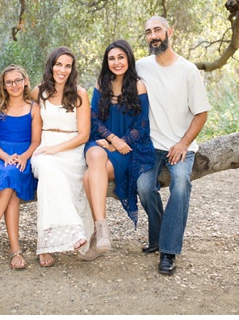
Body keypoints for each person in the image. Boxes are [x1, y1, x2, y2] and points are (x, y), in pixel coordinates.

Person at [135, 16, 211, 276]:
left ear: (169, 32)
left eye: (157, 30)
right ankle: (157, 237)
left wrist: (183, 143)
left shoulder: (188, 70)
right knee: (144, 187)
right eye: (148, 32)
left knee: (180, 185)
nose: (153, 36)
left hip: (181, 146)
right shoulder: (141, 66)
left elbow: (201, 113)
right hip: (150, 144)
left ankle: (168, 251)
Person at [79, 39, 155, 261]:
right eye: (111, 58)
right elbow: (93, 118)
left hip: (128, 147)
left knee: (87, 178)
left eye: (120, 57)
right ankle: (102, 231)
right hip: (101, 141)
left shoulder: (139, 85)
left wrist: (117, 143)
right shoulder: (101, 84)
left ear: (128, 59)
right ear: (107, 62)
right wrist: (110, 139)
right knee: (94, 154)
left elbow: (142, 124)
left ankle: (97, 235)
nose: (116, 62)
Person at [30, 46, 93, 267]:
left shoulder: (80, 94)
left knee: (53, 176)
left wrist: (57, 149)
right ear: (51, 65)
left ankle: (53, 241)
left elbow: (84, 135)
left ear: (72, 69)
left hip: (71, 151)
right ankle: (70, 233)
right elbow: (12, 108)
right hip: (43, 148)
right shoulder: (38, 92)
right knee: (47, 168)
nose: (63, 70)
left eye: (68, 66)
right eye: (59, 64)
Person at [0, 65, 41, 270]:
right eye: (9, 82)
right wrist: (7, 157)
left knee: (11, 178)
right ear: (3, 85)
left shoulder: (34, 108)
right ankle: (14, 250)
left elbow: (36, 141)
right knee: (9, 179)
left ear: (25, 81)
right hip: (0, 158)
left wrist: (23, 157)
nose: (14, 85)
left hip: (23, 158)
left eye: (18, 80)